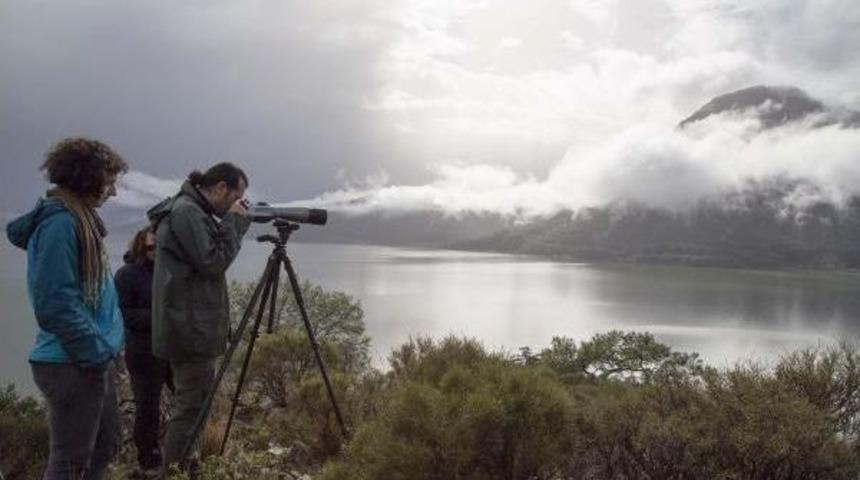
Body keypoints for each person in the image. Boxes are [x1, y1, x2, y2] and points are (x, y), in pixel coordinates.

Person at [5, 137, 128, 480]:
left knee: (104, 445)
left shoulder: (79, 220)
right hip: (71, 362)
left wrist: (105, 351)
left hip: (87, 358)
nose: (113, 192)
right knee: (71, 462)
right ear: (88, 178)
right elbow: (54, 303)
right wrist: (95, 353)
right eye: (110, 182)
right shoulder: (61, 224)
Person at [147, 162, 251, 474]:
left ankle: (182, 466)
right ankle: (175, 472)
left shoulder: (190, 210)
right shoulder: (188, 212)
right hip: (190, 331)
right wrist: (235, 223)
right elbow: (213, 262)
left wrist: (230, 221)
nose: (237, 203)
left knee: (192, 407)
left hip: (188, 325)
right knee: (190, 409)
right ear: (221, 188)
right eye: (237, 196)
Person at [115, 227, 173, 476]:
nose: (156, 252)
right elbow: (122, 313)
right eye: (151, 247)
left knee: (187, 396)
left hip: (172, 347)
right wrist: (160, 318)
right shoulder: (127, 275)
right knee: (147, 406)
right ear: (141, 247)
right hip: (143, 350)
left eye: (160, 246)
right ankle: (148, 458)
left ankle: (179, 447)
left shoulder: (170, 271)